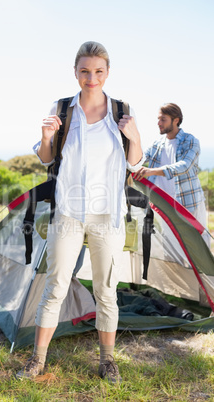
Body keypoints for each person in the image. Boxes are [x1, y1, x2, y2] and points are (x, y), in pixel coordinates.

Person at [16, 41, 143, 383]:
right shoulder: (63, 109)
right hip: (69, 213)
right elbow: (46, 158)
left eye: (98, 71)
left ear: (107, 73)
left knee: (106, 289)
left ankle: (107, 360)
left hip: (108, 216)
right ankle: (37, 360)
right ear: (75, 72)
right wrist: (45, 137)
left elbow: (135, 163)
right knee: (55, 286)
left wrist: (135, 136)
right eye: (85, 71)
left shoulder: (121, 111)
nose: (91, 78)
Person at [134, 103, 210, 246]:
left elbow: (185, 166)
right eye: (158, 119)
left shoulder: (190, 141)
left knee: (198, 244)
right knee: (172, 246)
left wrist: (153, 171)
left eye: (163, 119)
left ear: (176, 120)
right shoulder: (158, 144)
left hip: (189, 202)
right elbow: (140, 159)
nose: (159, 123)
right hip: (166, 205)